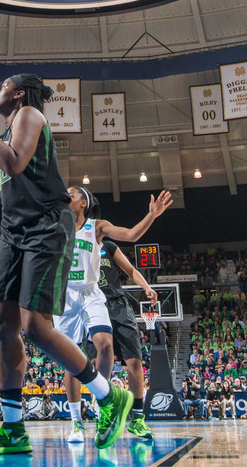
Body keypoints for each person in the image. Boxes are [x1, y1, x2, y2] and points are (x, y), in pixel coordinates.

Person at [0, 74, 132, 455]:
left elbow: (13, 165)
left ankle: (108, 395)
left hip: (46, 226)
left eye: (1, 87)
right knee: (2, 324)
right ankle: (13, 429)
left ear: (16, 94)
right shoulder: (6, 132)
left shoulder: (29, 115)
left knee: (35, 325)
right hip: (12, 232)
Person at [64, 185, 171, 442]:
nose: (65, 196)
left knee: (132, 360)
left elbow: (132, 253)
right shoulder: (61, 230)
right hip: (73, 302)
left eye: (71, 194)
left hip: (110, 301)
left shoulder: (103, 237)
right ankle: (79, 421)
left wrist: (146, 286)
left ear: (83, 203)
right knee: (74, 362)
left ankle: (133, 418)